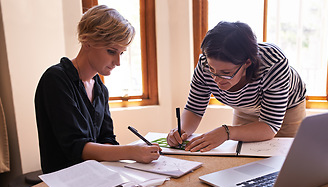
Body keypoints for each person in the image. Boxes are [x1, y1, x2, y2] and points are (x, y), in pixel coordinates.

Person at [35, 5, 161, 174]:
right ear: (87, 41)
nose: (118, 62)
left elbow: (106, 137)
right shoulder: (55, 80)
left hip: (95, 176)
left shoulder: (100, 89)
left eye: (122, 53)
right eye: (111, 51)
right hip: (65, 184)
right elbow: (76, 148)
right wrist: (131, 152)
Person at [167, 21, 306, 152]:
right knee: (243, 157)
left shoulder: (273, 63)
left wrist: (226, 132)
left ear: (247, 62)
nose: (216, 79)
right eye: (212, 69)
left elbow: (270, 126)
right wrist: (181, 132)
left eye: (226, 73)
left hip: (287, 107)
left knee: (285, 159)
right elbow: (194, 109)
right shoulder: (205, 65)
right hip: (246, 106)